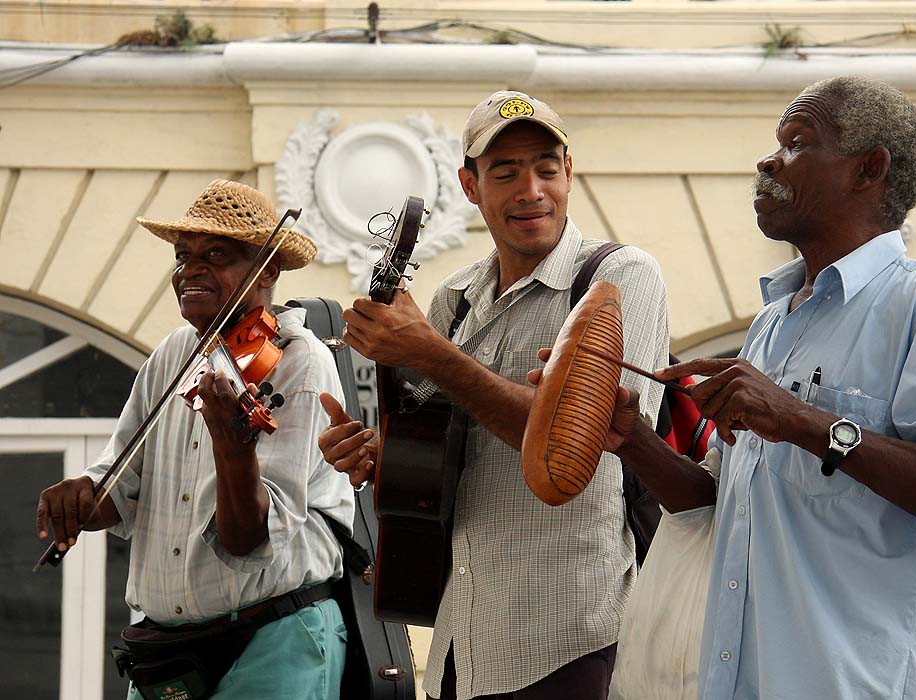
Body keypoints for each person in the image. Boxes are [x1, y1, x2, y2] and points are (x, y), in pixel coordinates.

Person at [597, 76, 916, 699]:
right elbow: (718, 504)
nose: (769, 161)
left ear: (869, 169)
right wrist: (632, 440)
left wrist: (801, 421)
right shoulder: (774, 321)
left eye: (798, 142)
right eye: (776, 142)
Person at [322, 90, 670, 700]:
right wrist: (380, 455)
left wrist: (431, 353)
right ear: (469, 185)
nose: (530, 190)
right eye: (504, 172)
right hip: (465, 639)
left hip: (575, 636)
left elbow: (576, 447)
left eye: (545, 167)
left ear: (569, 172)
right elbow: (447, 451)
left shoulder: (619, 276)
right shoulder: (453, 299)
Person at [35, 179, 355, 700]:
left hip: (271, 639)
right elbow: (122, 483)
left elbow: (248, 538)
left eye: (217, 255)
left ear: (268, 269)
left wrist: (233, 446)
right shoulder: (173, 354)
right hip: (167, 653)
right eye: (183, 257)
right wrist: (86, 497)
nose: (191, 270)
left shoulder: (297, 360)